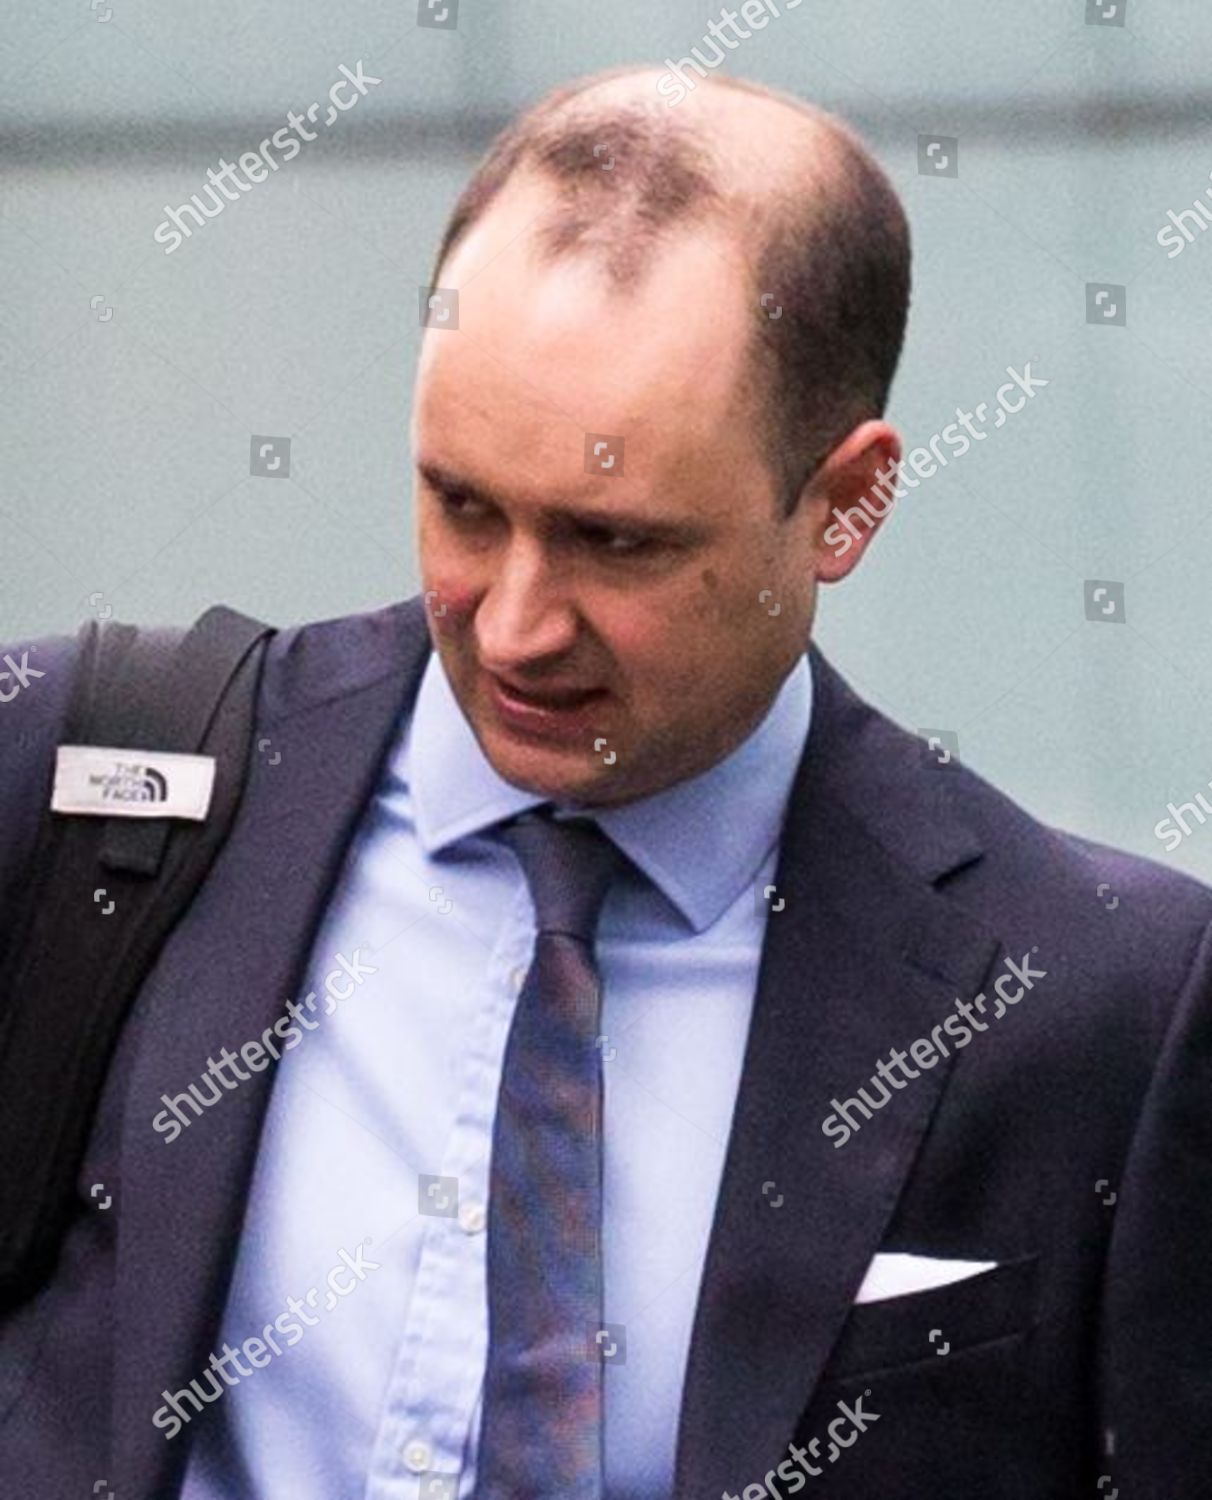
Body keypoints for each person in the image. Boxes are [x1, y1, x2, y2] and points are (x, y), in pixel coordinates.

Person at [2, 62, 1211, 1500]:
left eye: (615, 541)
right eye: (462, 505)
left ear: (844, 503)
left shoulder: (1109, 1002)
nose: (514, 624)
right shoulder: (92, 782)